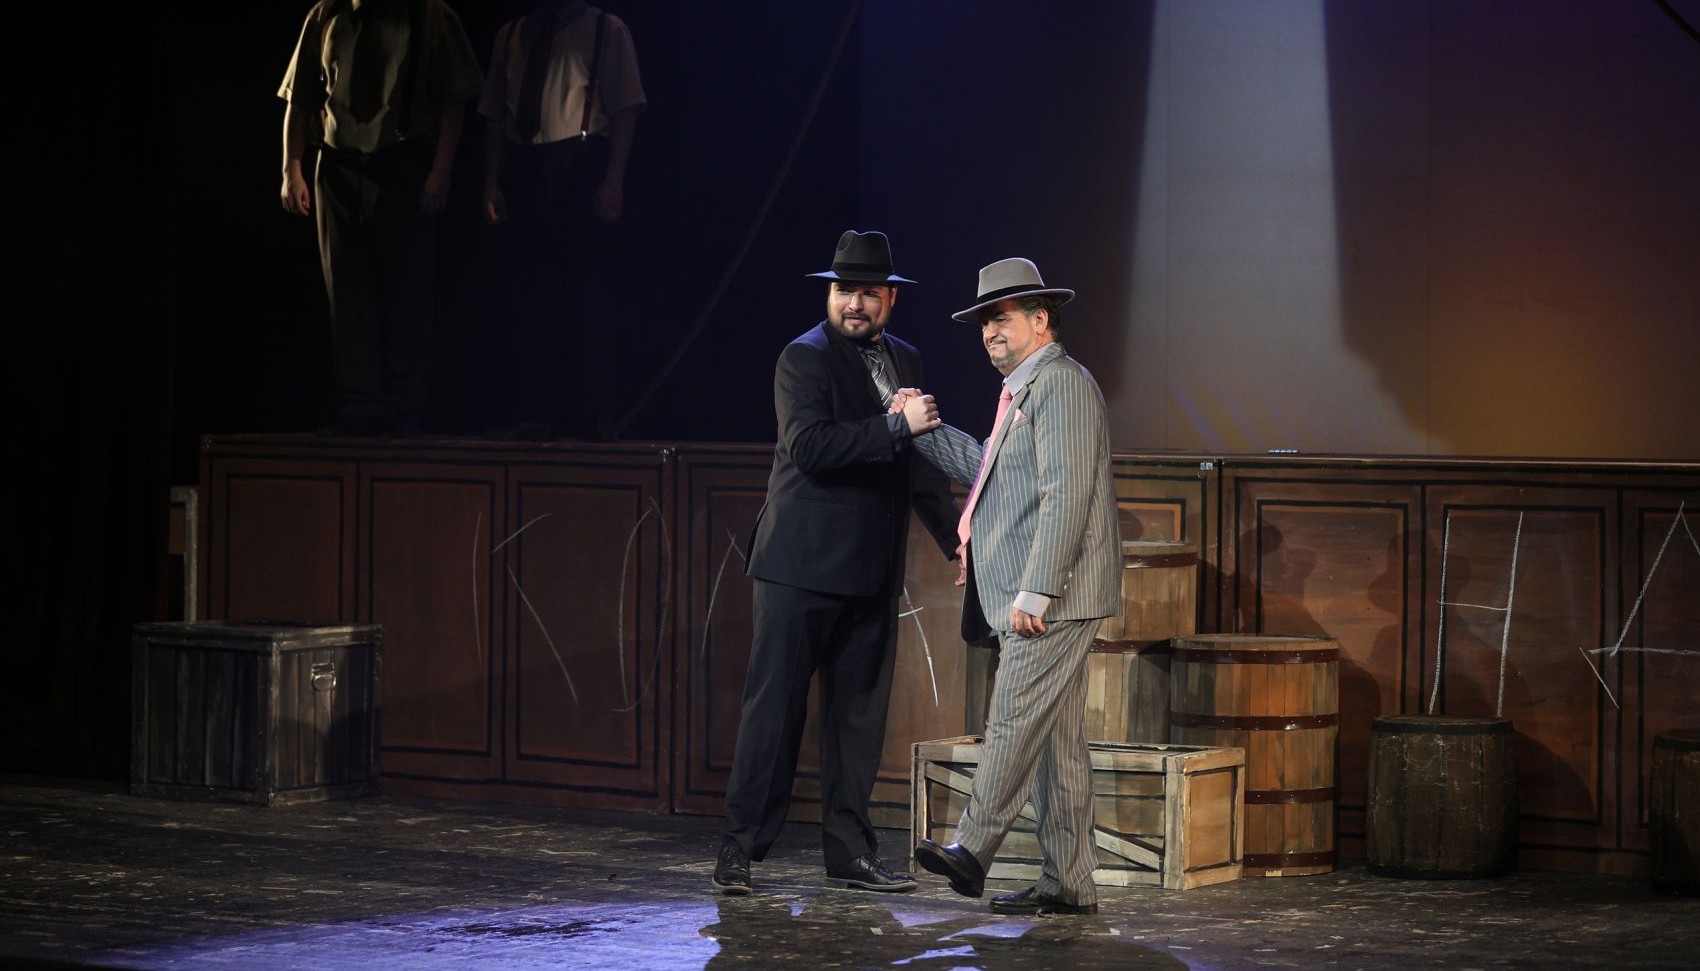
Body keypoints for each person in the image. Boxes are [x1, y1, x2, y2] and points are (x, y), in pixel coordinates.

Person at [712, 231, 961, 895]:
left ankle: (850, 854)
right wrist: (896, 426)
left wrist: (956, 538)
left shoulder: (905, 358)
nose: (855, 304)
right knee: (774, 712)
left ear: (890, 300)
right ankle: (739, 849)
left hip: (871, 571)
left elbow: (920, 465)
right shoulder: (804, 357)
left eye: (868, 293)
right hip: (800, 567)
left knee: (858, 719)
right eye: (844, 290)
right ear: (830, 294)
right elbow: (811, 447)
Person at [901, 257, 1121, 916]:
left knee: (1013, 716)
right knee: (1055, 743)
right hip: (1043, 592)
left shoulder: (1061, 385)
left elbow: (1067, 493)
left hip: (1052, 596)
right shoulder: (1025, 392)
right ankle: (1069, 881)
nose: (990, 332)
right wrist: (925, 429)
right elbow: (988, 472)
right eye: (984, 322)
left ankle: (972, 847)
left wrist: (1038, 589)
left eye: (1000, 318)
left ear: (1040, 319)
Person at [279, 0, 483, 436]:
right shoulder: (326, 13)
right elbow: (301, 96)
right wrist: (291, 167)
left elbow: (455, 98)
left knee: (406, 286)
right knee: (347, 287)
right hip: (337, 164)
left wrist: (441, 170)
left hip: (402, 160)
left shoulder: (430, 14)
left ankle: (402, 405)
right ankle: (359, 403)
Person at [478, 0, 646, 440]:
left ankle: (591, 412)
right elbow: (495, 115)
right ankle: (536, 411)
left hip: (581, 156)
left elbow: (626, 108)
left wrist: (613, 180)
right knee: (530, 294)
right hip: (526, 162)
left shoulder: (606, 29)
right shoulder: (513, 34)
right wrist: (492, 181)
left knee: (587, 292)